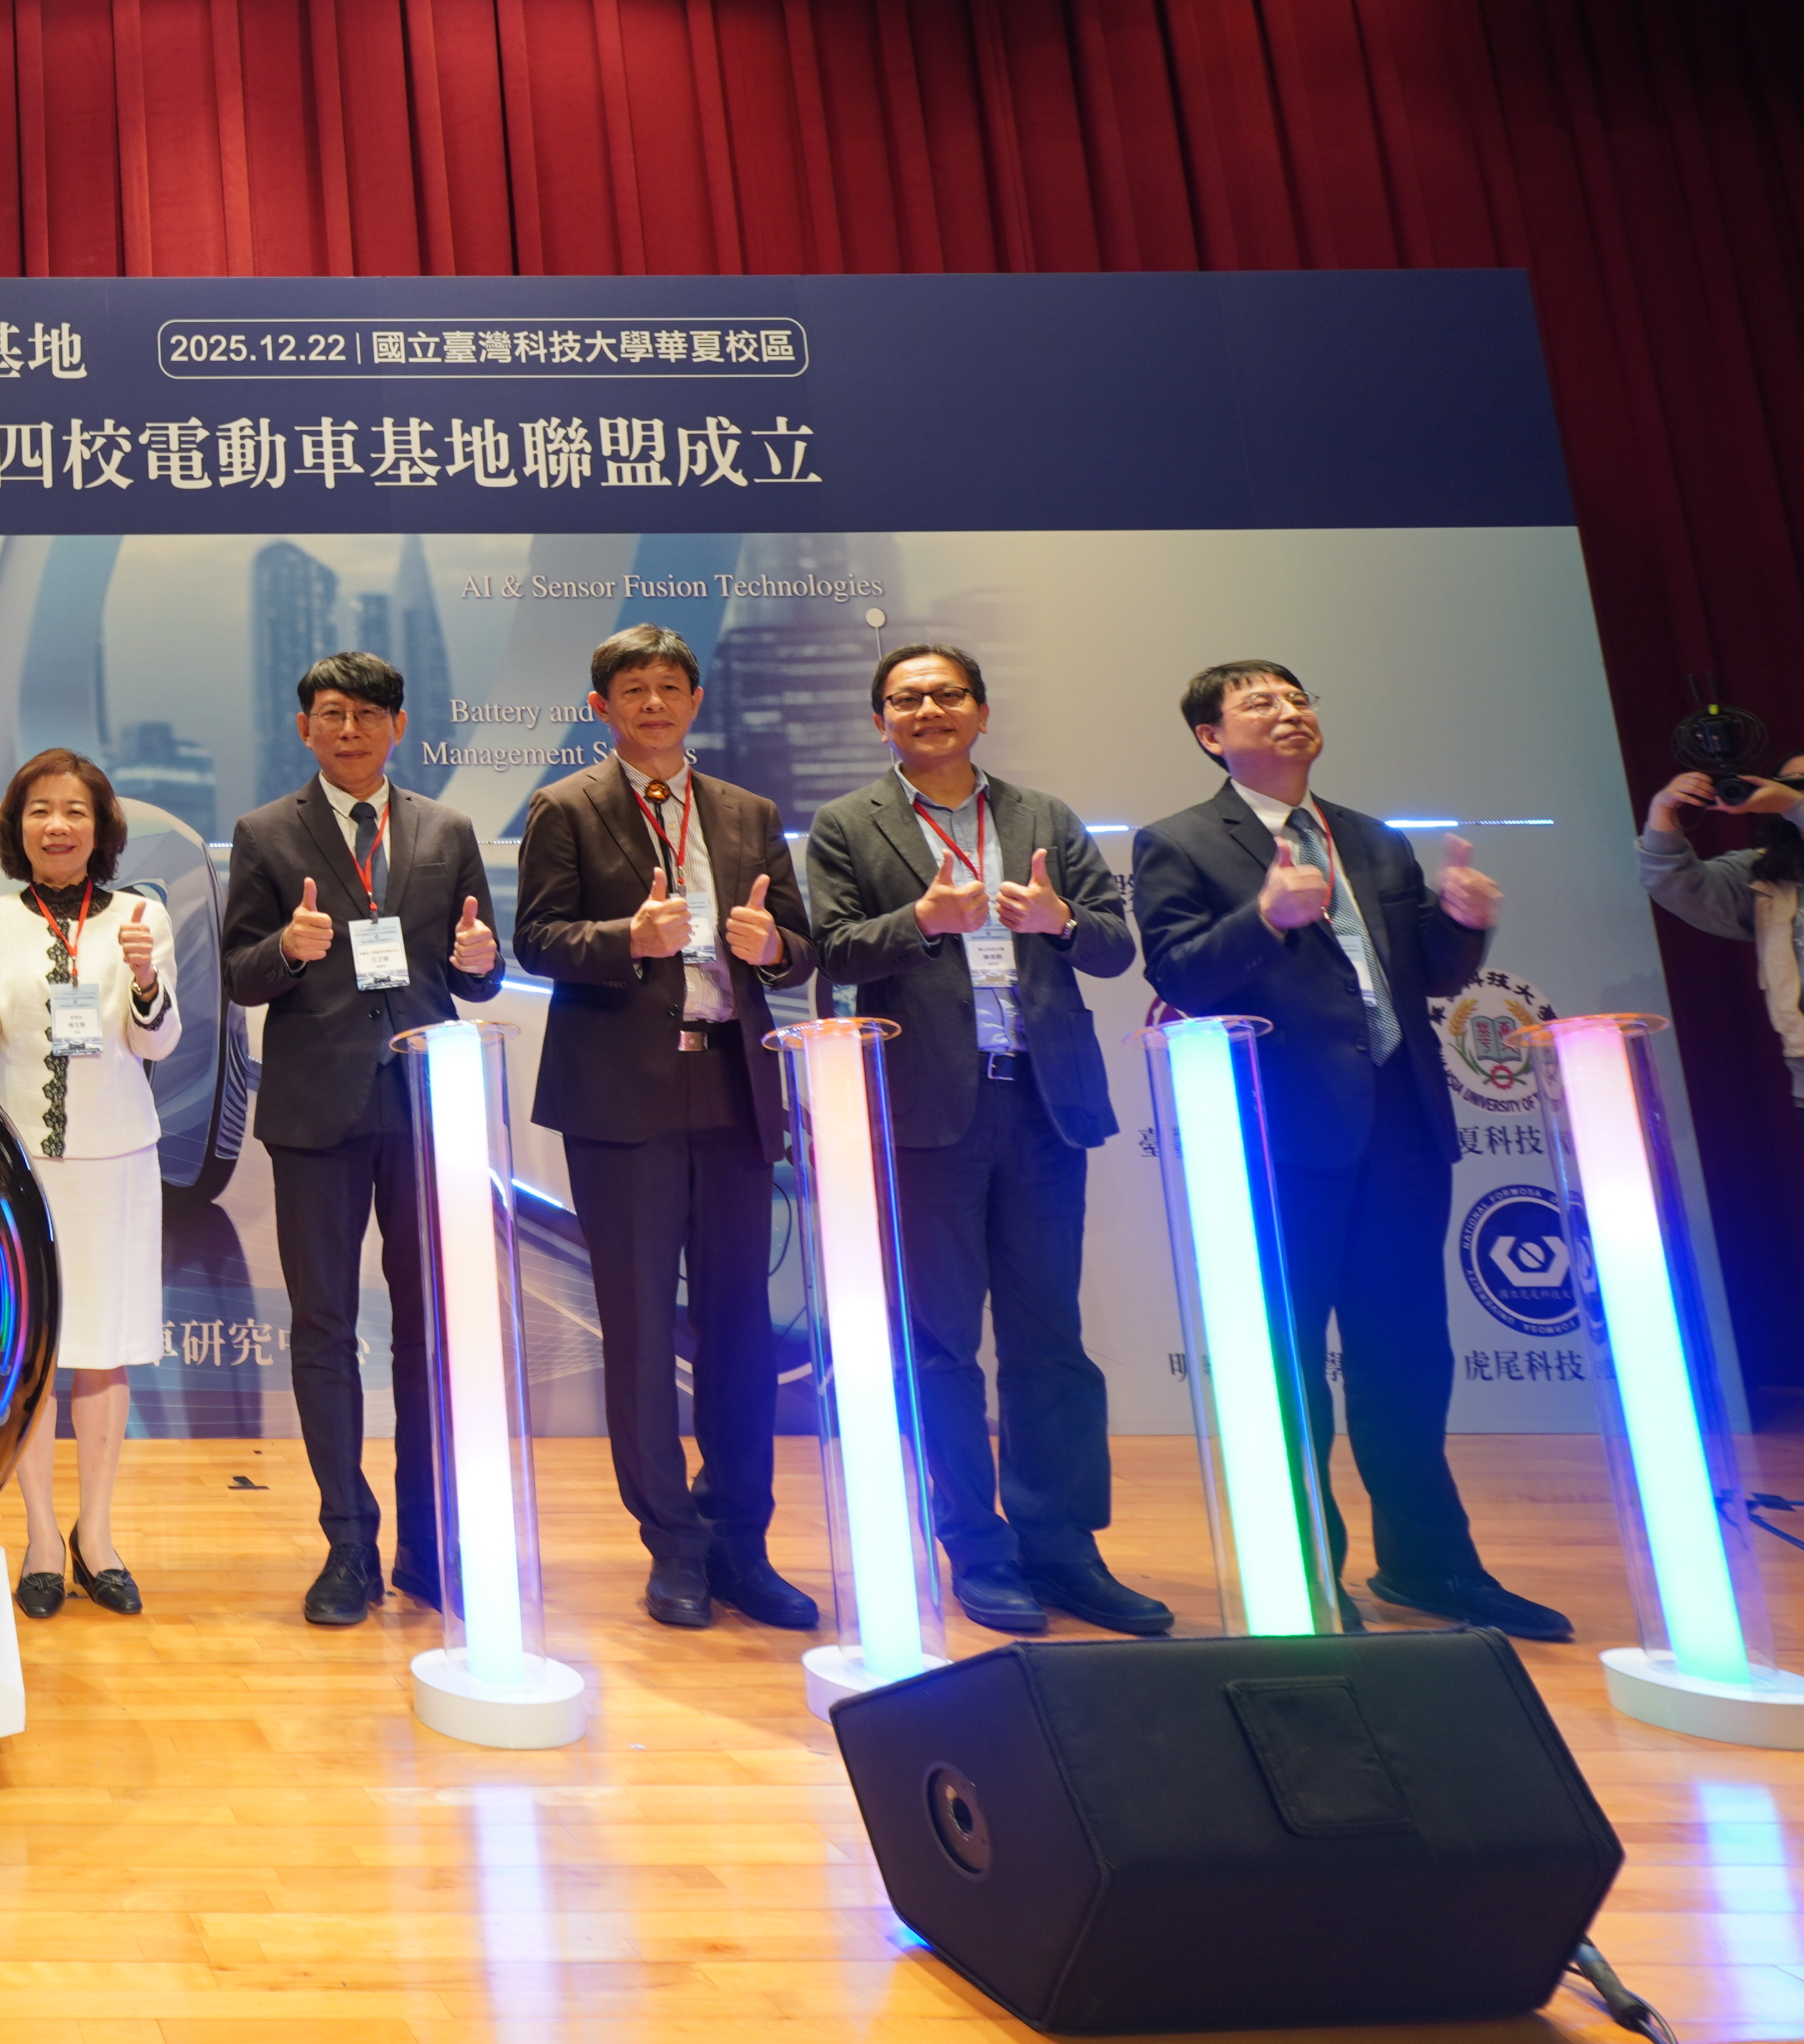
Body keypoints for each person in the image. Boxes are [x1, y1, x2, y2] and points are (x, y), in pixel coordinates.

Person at [1132, 659, 1565, 1639]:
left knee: (1408, 1359)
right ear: (1212, 736)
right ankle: (1308, 1580)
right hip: (1280, 1140)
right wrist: (1266, 917)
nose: (1290, 715)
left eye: (1299, 700)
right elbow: (1180, 975)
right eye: (1261, 704)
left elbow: (1422, 978)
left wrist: (1465, 926)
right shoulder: (1181, 842)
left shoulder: (1368, 836)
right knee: (1286, 1369)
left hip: (1402, 1128)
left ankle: (1429, 1567)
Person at [800, 646, 1166, 1638]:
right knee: (941, 1342)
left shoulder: (1043, 818)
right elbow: (828, 954)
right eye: (905, 698)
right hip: (927, 1114)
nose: (927, 709)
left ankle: (1062, 1546)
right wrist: (920, 918)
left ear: (981, 711)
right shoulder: (847, 825)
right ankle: (975, 1542)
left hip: (1042, 1105)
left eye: (945, 694)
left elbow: (1113, 944)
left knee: (1051, 1339)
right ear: (882, 718)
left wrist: (1056, 919)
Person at [512, 623, 818, 1635]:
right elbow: (539, 938)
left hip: (731, 1090)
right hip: (621, 1099)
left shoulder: (747, 812)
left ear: (696, 700)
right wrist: (625, 939)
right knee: (641, 1332)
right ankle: (673, 1547)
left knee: (740, 1330)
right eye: (632, 689)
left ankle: (744, 1541)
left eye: (670, 687)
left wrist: (775, 946)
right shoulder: (565, 807)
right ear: (601, 707)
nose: (653, 703)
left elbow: (798, 951)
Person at [221, 649, 504, 1627]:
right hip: (317, 1113)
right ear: (305, 728)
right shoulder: (265, 833)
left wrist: (481, 960)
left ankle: (431, 1544)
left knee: (431, 1334)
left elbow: (477, 974)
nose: (350, 730)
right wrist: (286, 953)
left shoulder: (445, 829)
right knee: (326, 1330)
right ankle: (349, 1540)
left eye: (368, 715)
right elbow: (240, 975)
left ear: (399, 726)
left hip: (428, 1105)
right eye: (331, 714)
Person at [0, 748, 187, 1619]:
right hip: (23, 1165)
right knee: (35, 1355)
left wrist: (147, 974)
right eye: (40, 809)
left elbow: (156, 1043)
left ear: (100, 826)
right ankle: (42, 1538)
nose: (57, 825)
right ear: (17, 826)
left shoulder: (141, 915)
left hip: (116, 1158)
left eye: (75, 810)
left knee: (104, 1348)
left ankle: (98, 1536)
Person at [1643, 749, 1804, 1459]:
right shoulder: (1765, 874)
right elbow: (1679, 885)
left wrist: (1795, 805)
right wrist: (1665, 815)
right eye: (1795, 780)